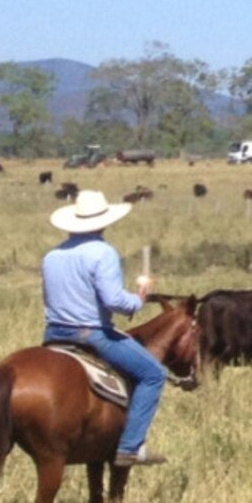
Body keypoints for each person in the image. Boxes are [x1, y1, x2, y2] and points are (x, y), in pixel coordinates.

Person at [42, 189, 169, 467]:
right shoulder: (103, 252)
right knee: (154, 374)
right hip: (91, 334)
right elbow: (114, 301)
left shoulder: (51, 256)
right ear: (104, 221)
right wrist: (138, 298)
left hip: (52, 335)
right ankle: (130, 446)